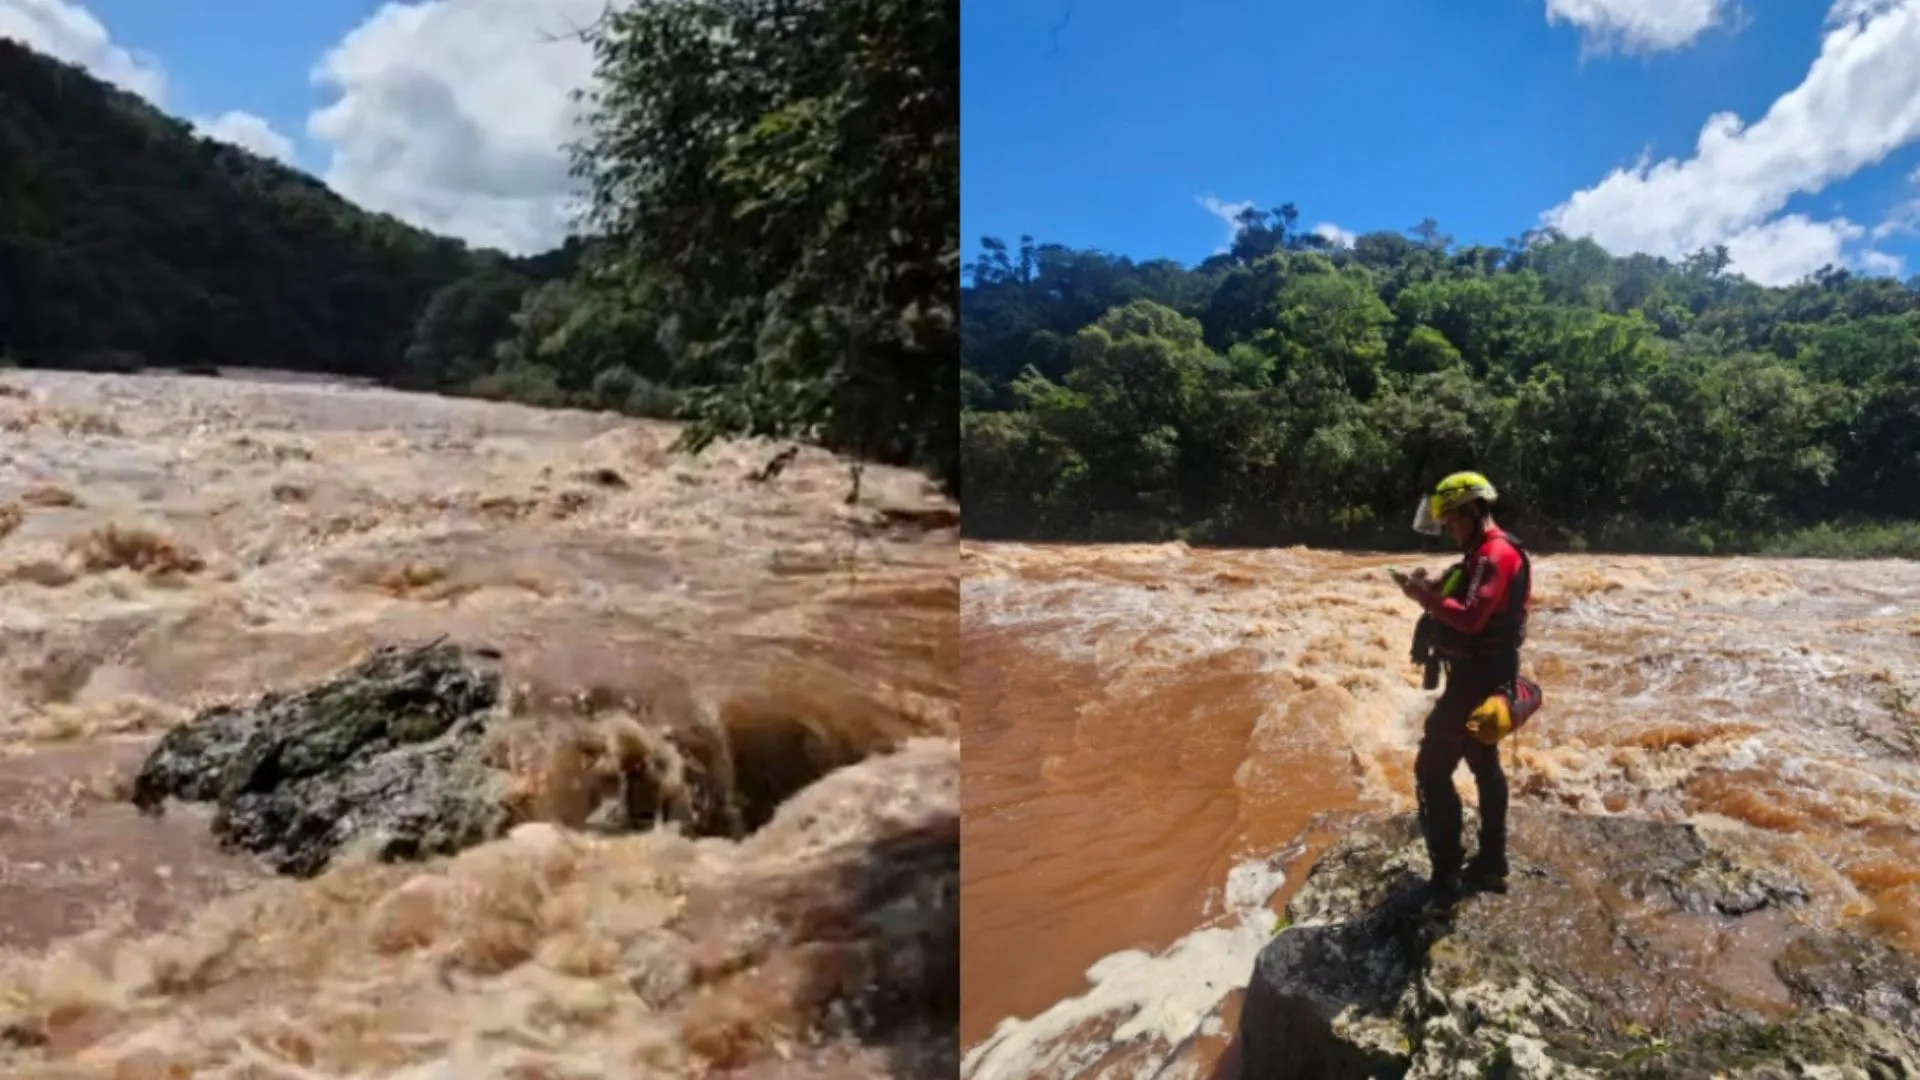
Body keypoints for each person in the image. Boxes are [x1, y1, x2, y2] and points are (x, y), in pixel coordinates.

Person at [1394, 471, 1532, 907]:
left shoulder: (1494, 554)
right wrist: (1432, 586)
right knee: (1482, 761)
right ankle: (1492, 861)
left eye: (1452, 519)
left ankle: (1445, 875)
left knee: (1431, 770)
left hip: (1477, 679)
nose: (1449, 529)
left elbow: (1471, 618)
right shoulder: (1482, 554)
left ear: (1473, 510)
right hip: (1485, 674)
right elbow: (1466, 594)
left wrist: (1421, 597)